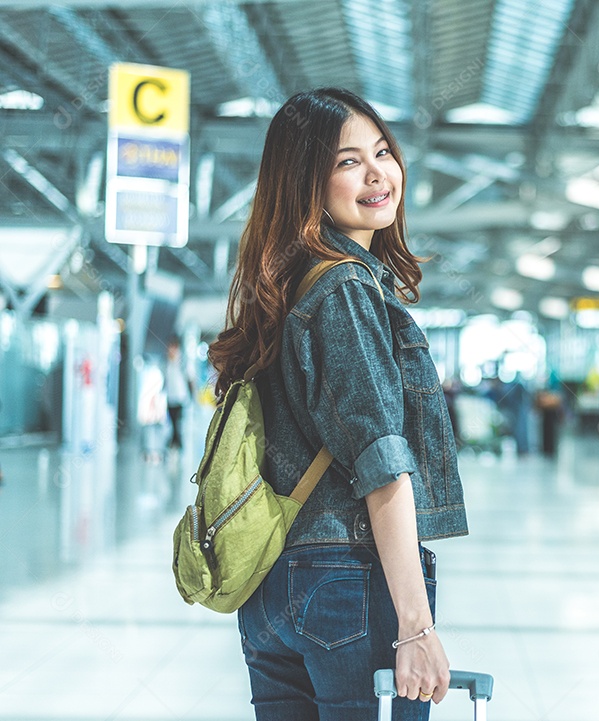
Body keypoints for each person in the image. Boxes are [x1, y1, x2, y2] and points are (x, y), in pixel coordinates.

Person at [206, 88, 468, 720]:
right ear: (307, 183)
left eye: (383, 152)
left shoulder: (283, 288)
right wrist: (415, 627)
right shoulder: (345, 287)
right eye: (349, 162)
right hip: (345, 581)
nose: (378, 173)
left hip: (273, 587)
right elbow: (381, 463)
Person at [164, 337, 193, 450]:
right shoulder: (167, 362)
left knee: (177, 421)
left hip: (180, 396)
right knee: (172, 420)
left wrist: (191, 395)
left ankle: (176, 440)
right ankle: (175, 440)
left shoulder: (182, 362)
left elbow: (189, 378)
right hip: (170, 396)